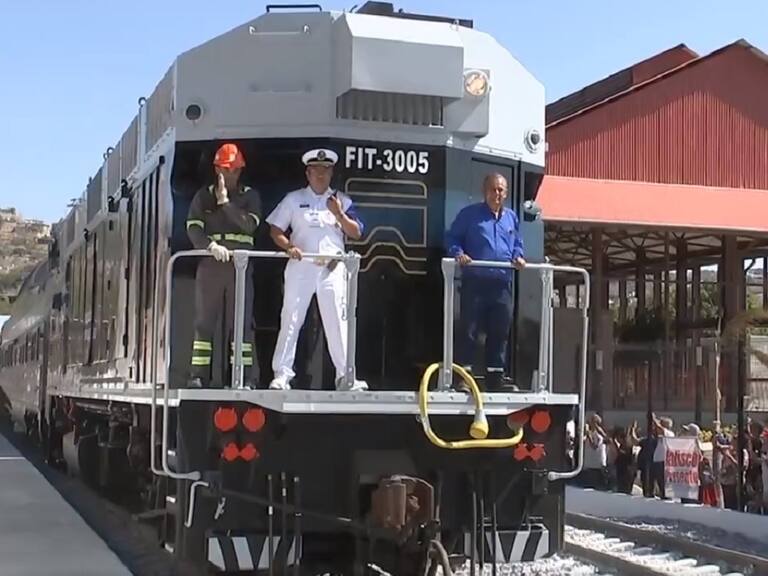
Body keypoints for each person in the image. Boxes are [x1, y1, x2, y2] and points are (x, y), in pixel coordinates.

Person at [266, 148, 367, 392]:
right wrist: (289, 246)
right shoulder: (293, 199)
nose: (320, 175)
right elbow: (275, 230)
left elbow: (357, 232)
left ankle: (345, 376)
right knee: (291, 319)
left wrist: (339, 213)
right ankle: (282, 374)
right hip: (301, 266)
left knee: (337, 321)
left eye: (325, 171)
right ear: (308, 173)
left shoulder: (342, 200)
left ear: (331, 173)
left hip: (332, 268)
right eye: (316, 171)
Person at [186, 143, 262, 388]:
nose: (230, 174)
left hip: (240, 267)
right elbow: (193, 227)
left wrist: (225, 203)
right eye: (225, 169)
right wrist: (210, 247)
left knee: (240, 325)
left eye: (235, 170)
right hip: (211, 265)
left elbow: (248, 226)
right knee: (204, 323)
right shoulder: (202, 196)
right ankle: (198, 375)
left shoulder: (251, 196)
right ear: (216, 169)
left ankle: (243, 378)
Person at [445, 173, 525, 390]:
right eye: (493, 189)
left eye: (501, 190)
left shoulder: (511, 217)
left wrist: (518, 255)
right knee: (469, 330)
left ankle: (495, 378)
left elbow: (517, 242)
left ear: (506, 193)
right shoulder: (469, 215)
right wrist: (459, 253)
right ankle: (463, 378)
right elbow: (452, 238)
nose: (497, 194)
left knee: (500, 332)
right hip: (476, 282)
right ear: (485, 191)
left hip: (501, 284)